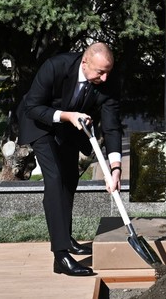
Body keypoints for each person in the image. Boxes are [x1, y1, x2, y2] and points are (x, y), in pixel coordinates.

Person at [16, 42, 123, 277]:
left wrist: (115, 168)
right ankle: (61, 255)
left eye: (108, 72)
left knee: (69, 177)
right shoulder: (55, 66)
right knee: (54, 178)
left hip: (70, 126)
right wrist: (66, 116)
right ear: (85, 62)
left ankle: (66, 237)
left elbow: (113, 127)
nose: (104, 79)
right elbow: (33, 106)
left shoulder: (108, 81)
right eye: (99, 72)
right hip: (40, 122)